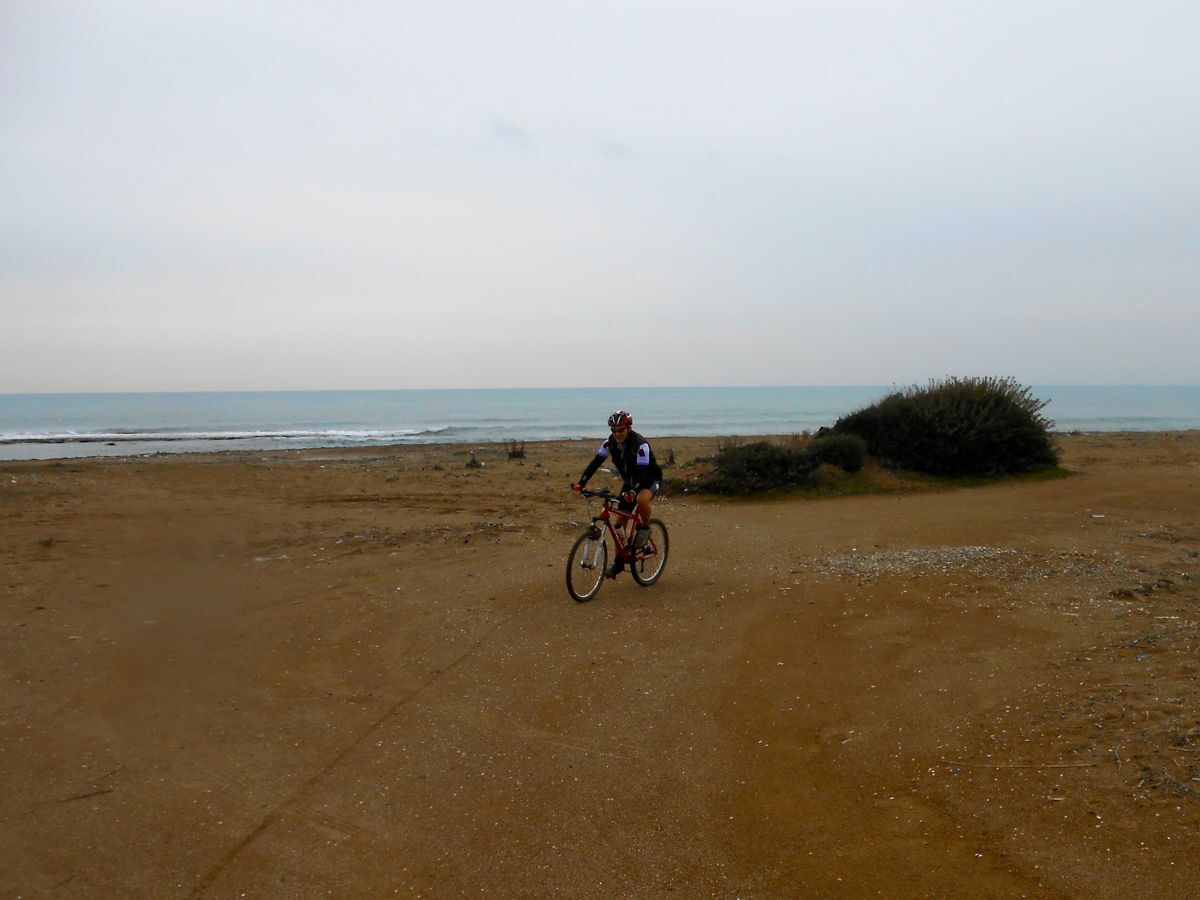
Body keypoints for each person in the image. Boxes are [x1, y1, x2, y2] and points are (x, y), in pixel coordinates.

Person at [573, 410, 663, 576]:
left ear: (629, 428)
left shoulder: (641, 445)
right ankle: (619, 562)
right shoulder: (610, 443)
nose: (617, 434)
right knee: (619, 525)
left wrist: (634, 491)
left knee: (642, 500)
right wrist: (581, 483)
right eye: (613, 430)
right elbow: (596, 463)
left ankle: (644, 528)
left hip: (649, 479)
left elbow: (643, 473)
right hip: (630, 482)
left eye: (621, 430)